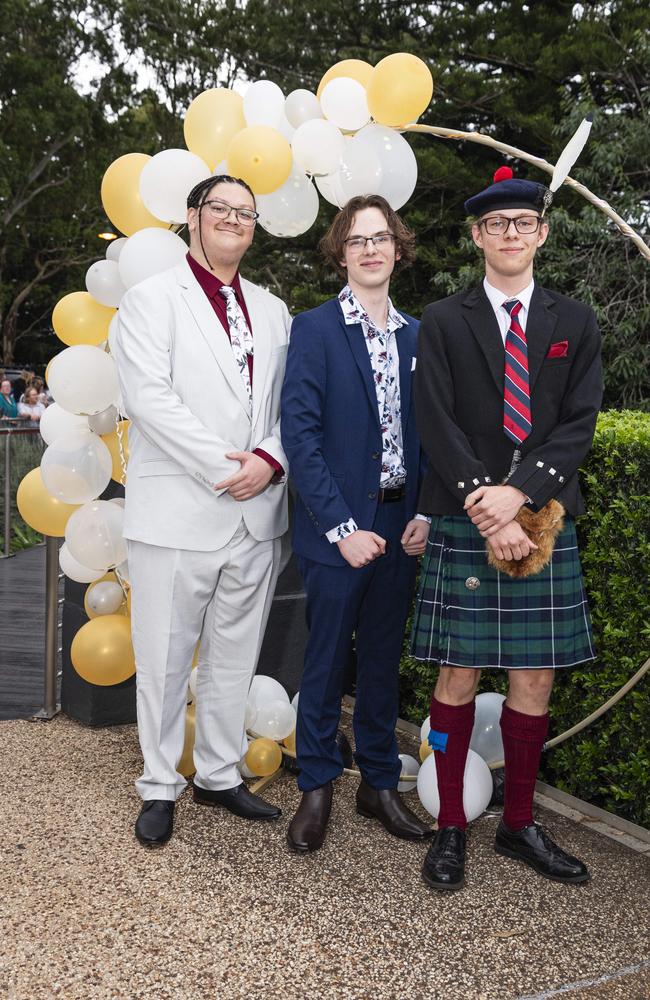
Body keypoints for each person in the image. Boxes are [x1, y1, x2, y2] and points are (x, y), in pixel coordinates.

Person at [412, 167, 602, 890]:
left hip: (545, 514)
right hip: (469, 519)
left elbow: (577, 425)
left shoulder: (574, 321)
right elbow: (437, 421)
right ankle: (450, 827)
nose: (511, 235)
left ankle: (519, 823)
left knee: (534, 674)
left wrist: (518, 498)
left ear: (542, 233)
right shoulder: (443, 318)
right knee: (457, 672)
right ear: (477, 237)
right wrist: (484, 505)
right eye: (497, 225)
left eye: (523, 223)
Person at [114, 174, 291, 847]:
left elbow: (290, 407)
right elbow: (148, 400)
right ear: (193, 218)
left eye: (246, 213)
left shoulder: (275, 310)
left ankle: (219, 773)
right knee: (162, 656)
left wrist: (269, 462)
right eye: (221, 209)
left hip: (257, 514)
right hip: (179, 512)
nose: (234, 220)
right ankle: (160, 783)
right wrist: (230, 470)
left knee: (232, 656)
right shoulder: (150, 300)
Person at [280, 194, 434, 853]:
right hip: (336, 531)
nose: (370, 249)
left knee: (379, 662)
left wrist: (426, 510)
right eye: (356, 240)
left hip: (402, 527)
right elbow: (301, 436)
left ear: (398, 249)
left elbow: (432, 435)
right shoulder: (314, 330)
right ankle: (316, 785)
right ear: (339, 254)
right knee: (323, 663)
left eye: (381, 238)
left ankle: (377, 783)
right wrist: (344, 528)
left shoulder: (420, 336)